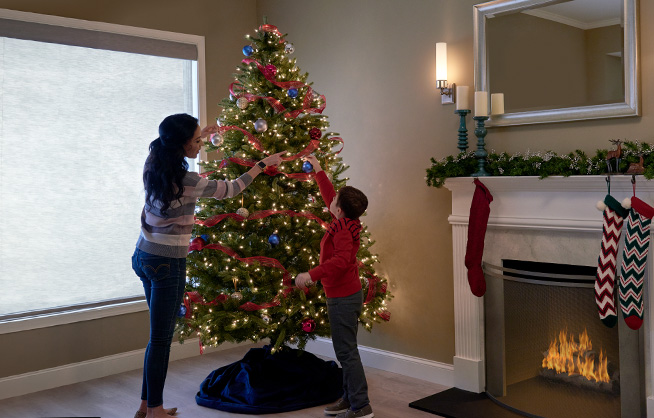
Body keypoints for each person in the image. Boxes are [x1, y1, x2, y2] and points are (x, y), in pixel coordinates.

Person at [132, 113, 285, 418]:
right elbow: (231, 189)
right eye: (198, 140)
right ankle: (155, 410)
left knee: (156, 338)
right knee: (161, 340)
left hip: (143, 255)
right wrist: (261, 165)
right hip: (167, 262)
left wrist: (203, 131)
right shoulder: (188, 180)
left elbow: (177, 144)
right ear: (183, 144)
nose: (202, 144)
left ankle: (146, 406)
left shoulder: (155, 165)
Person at [295, 154, 373, 418]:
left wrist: (311, 274)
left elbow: (340, 261)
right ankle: (349, 398)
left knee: (346, 352)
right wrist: (318, 169)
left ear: (339, 210)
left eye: (335, 202)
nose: (332, 202)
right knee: (345, 349)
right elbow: (329, 194)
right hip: (343, 294)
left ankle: (361, 406)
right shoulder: (345, 220)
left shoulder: (341, 230)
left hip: (343, 297)